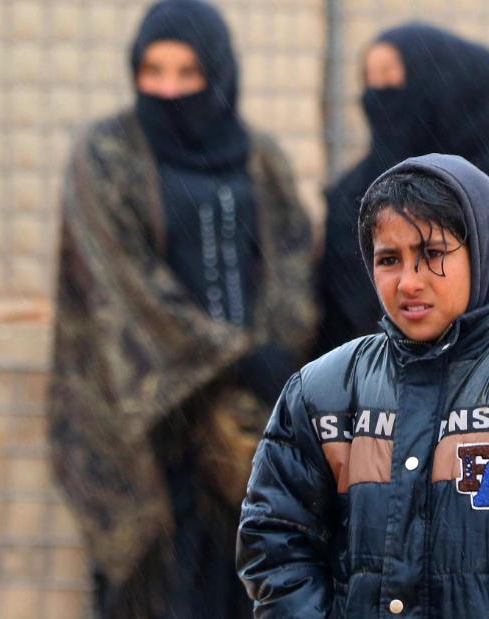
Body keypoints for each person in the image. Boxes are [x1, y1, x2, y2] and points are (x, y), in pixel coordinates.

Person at [237, 154, 489, 617]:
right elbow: (274, 539)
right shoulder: (320, 395)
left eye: (432, 255)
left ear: (482, 251)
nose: (409, 282)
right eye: (390, 259)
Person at [48, 1, 316, 616]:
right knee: (158, 592)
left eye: (187, 73)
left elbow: (293, 255)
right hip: (147, 424)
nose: (168, 90)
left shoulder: (260, 157)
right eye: (153, 71)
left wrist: (274, 352)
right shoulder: (107, 155)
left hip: (248, 424)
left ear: (218, 74)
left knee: (248, 584)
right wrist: (235, 355)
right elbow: (119, 282)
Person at [318, 22, 489, 353]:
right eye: (370, 78)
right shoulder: (351, 192)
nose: (378, 92)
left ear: (437, 85)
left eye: (390, 75)